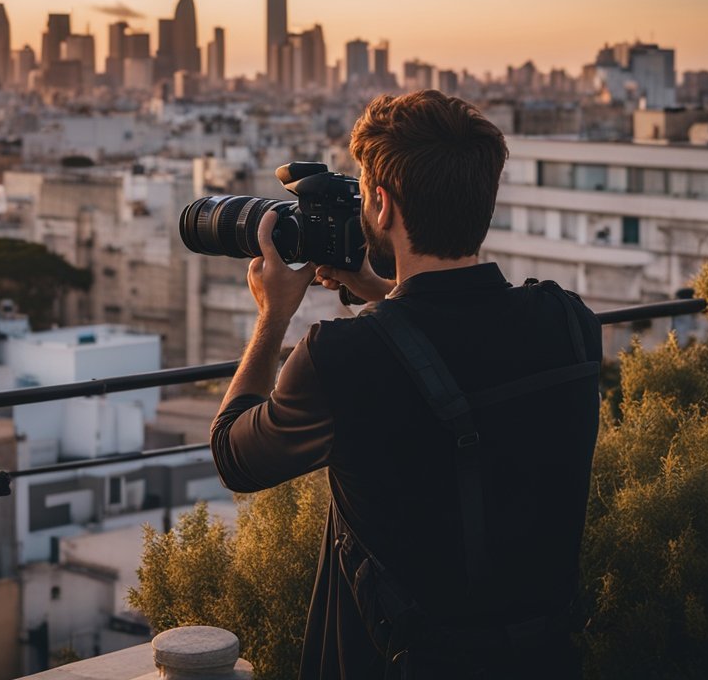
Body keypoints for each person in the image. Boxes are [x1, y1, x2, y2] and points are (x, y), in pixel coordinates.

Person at [210, 90, 602, 679]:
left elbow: (234, 456)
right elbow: (460, 349)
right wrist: (373, 289)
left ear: (381, 202)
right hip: (540, 655)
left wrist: (273, 315)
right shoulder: (569, 322)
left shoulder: (340, 359)